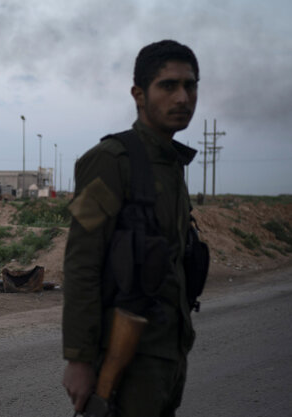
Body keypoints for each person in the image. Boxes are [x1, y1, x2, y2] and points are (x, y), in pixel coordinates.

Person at [61, 40, 200, 416]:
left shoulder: (171, 164)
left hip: (167, 352)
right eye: (168, 86)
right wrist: (79, 359)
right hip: (124, 358)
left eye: (190, 86)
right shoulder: (111, 161)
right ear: (139, 94)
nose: (183, 97)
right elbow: (81, 262)